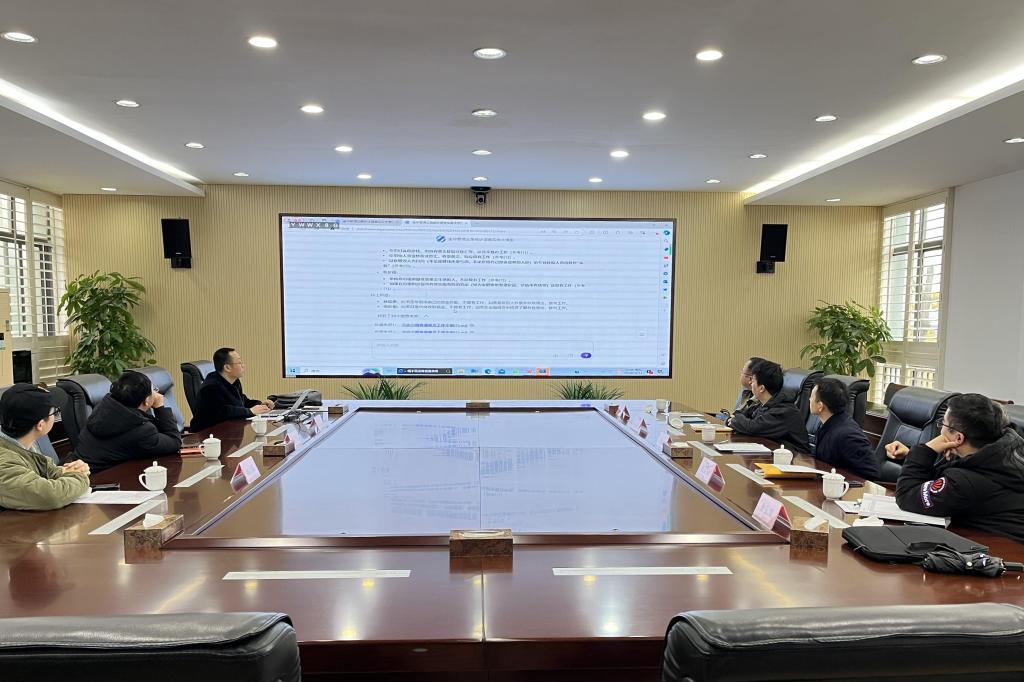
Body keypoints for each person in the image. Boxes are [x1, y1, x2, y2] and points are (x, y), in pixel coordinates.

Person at [890, 393, 1024, 543]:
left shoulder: (966, 483)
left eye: (943, 424)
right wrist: (954, 456)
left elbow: (907, 495)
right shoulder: (1008, 448)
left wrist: (926, 450)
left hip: (1006, 550)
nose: (941, 430)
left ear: (959, 438)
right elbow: (936, 485)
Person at [0, 384, 90, 511]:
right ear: (40, 425)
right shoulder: (4, 463)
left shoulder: (22, 442)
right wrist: (80, 477)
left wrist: (67, 471)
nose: (55, 416)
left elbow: (45, 470)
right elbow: (50, 496)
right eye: (55, 412)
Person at [77, 370, 182, 473]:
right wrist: (159, 406)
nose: (155, 393)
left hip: (80, 473)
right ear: (146, 401)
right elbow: (174, 441)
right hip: (106, 479)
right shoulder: (142, 431)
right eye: (153, 390)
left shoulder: (103, 408)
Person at [727, 359, 810, 451]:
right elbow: (738, 415)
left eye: (753, 380)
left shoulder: (784, 411)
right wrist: (734, 420)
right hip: (773, 453)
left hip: (797, 457)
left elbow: (751, 428)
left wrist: (735, 421)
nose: (750, 383)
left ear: (761, 388)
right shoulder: (764, 405)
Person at [808, 378, 880, 479]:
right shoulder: (828, 425)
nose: (809, 399)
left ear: (820, 406)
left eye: (811, 396)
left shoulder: (848, 435)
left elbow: (872, 474)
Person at [190, 348, 272, 431]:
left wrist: (261, 405)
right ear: (227, 367)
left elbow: (242, 401)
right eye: (239, 362)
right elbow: (223, 412)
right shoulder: (210, 387)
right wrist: (250, 411)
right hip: (208, 434)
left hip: (229, 430)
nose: (243, 365)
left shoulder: (234, 381)